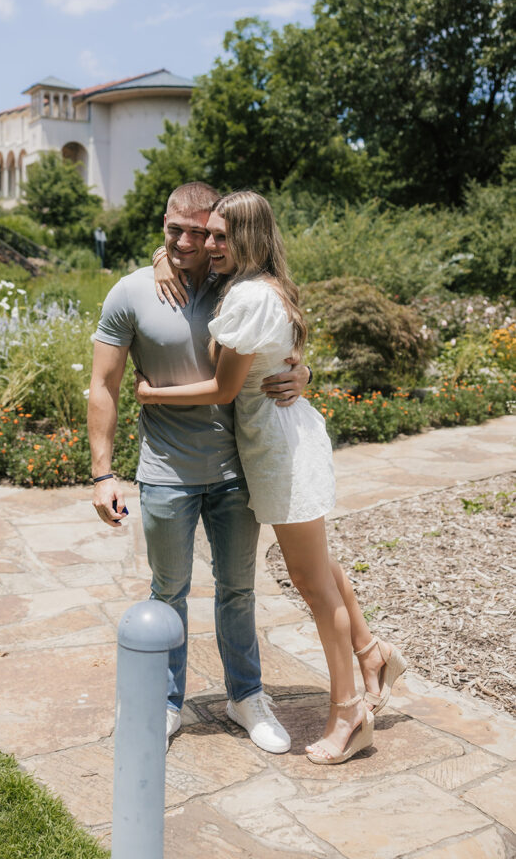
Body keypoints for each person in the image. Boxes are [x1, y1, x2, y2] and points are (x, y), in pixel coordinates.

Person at [136, 190, 407, 764]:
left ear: (251, 239)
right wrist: (162, 258)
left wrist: (151, 393)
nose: (209, 245)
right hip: (279, 440)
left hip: (279, 451)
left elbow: (224, 389)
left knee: (312, 586)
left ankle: (349, 712)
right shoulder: (260, 287)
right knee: (317, 565)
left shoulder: (249, 296)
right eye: (205, 234)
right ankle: (371, 650)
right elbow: (271, 354)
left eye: (220, 236)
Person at [88, 181, 310, 754]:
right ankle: (166, 704)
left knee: (238, 590)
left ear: (220, 232)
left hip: (236, 469)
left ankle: (246, 695)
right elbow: (104, 385)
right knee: (169, 592)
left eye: (200, 232)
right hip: (164, 473)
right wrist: (102, 473)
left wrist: (302, 372)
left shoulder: (236, 285)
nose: (186, 242)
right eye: (174, 232)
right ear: (162, 224)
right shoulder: (130, 292)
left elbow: (279, 340)